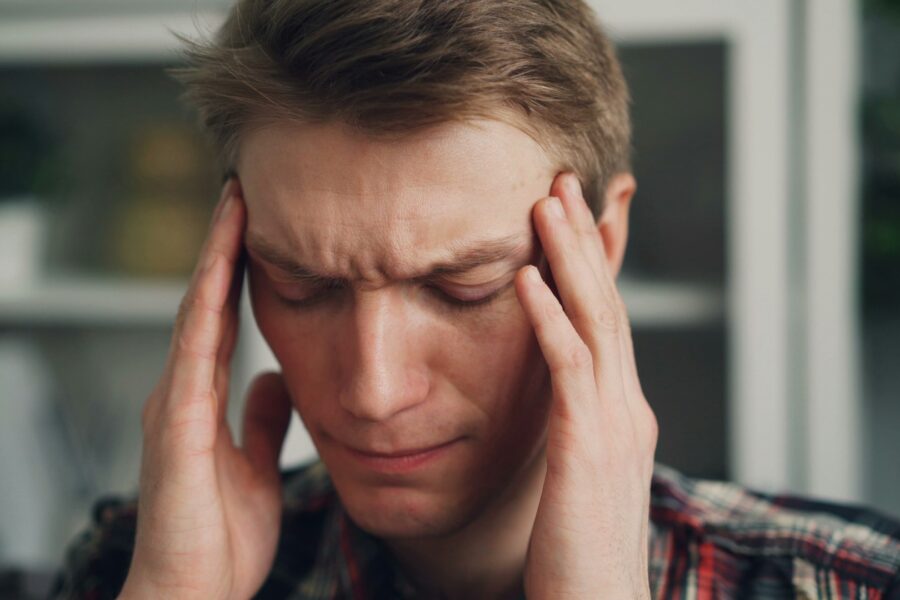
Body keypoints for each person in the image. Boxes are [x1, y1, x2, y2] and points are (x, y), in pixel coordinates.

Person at [51, 0, 900, 598]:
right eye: (303, 285)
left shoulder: (847, 586)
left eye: (465, 287)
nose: (373, 391)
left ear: (598, 251)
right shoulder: (130, 569)